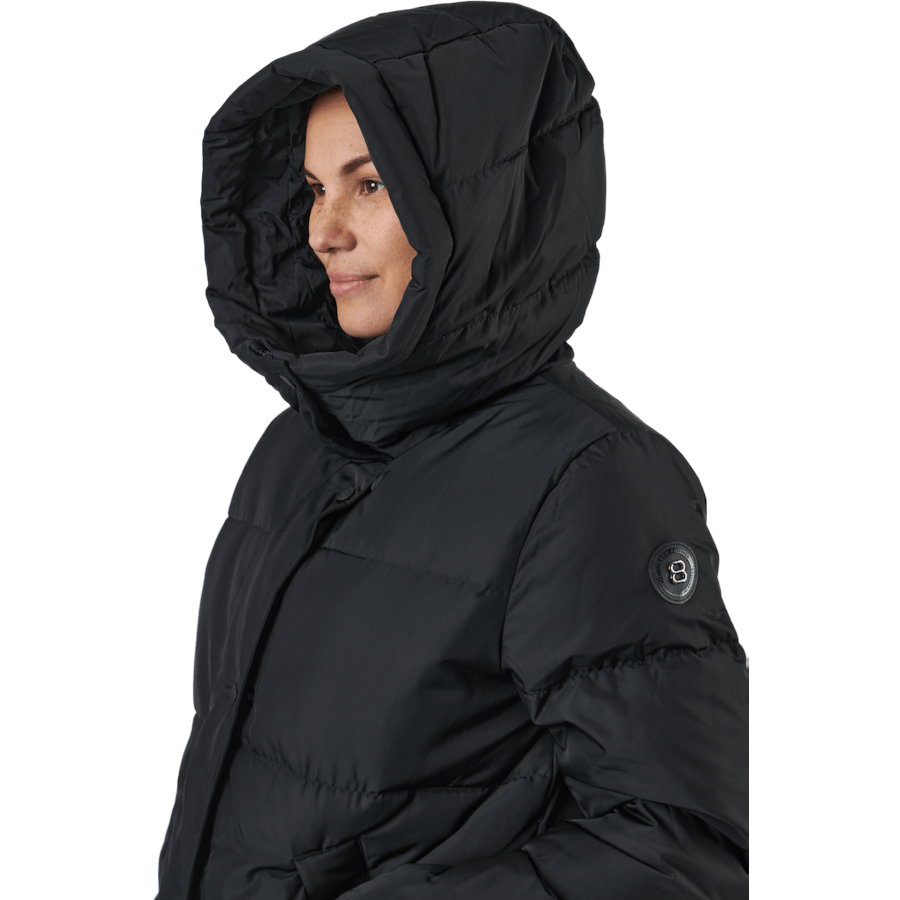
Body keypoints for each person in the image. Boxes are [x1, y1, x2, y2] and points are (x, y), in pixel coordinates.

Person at [155, 3, 749, 898]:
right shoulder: (299, 447)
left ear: (481, 205)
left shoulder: (593, 483)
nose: (323, 232)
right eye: (313, 189)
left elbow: (685, 846)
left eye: (370, 185)